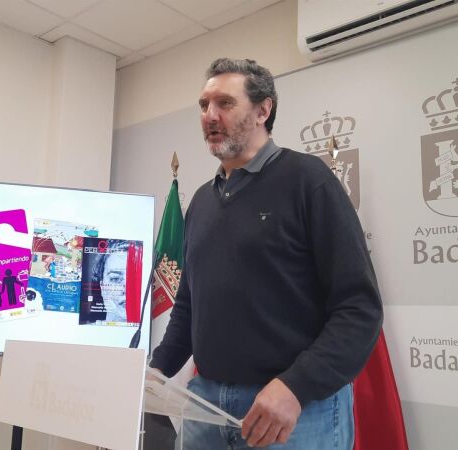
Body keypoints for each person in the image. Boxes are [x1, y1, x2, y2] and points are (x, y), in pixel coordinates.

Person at [149, 58, 383, 450]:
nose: (210, 115)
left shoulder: (309, 181)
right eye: (204, 105)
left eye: (225, 103)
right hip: (205, 405)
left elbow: (359, 308)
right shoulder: (202, 202)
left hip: (295, 411)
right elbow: (189, 305)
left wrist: (295, 387)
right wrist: (157, 370)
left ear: (263, 110)